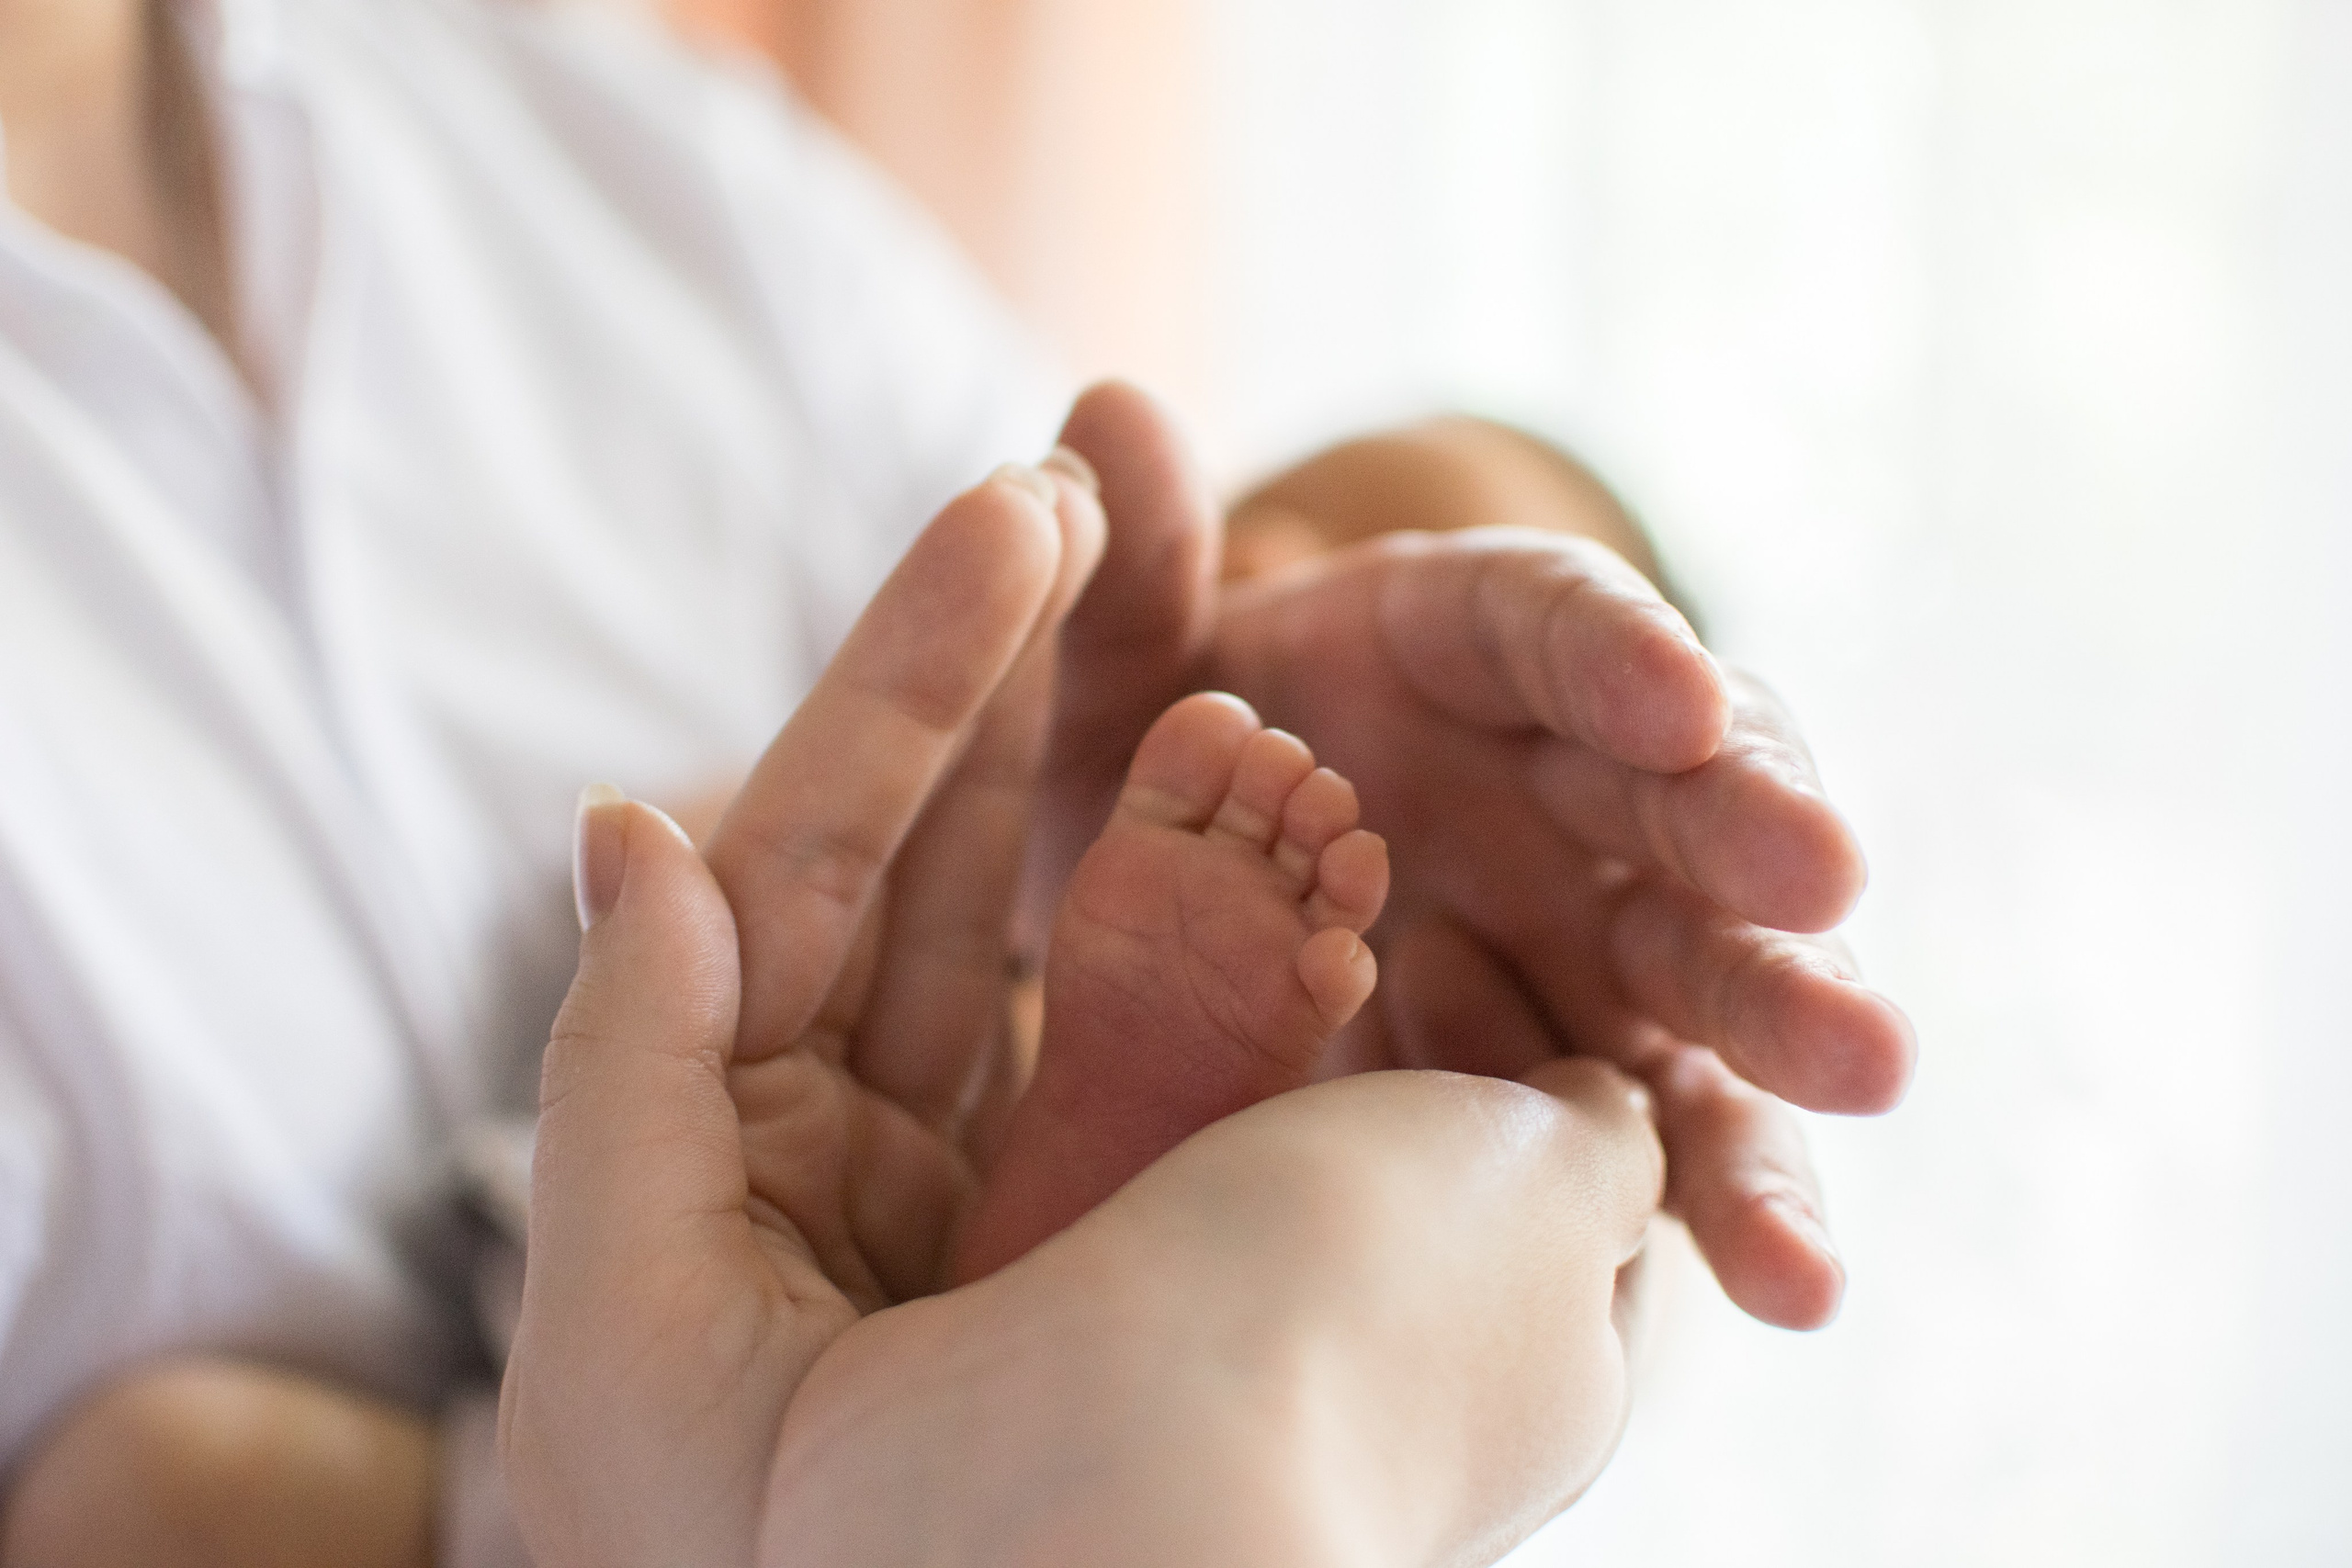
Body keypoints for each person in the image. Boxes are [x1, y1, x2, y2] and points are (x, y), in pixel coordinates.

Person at [0, 0, 1915, 1560]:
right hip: (683, 1349)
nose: (1257, 621)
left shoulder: (621, 157)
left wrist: (1535, 1079)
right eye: (1275, 522)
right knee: (152, 1489)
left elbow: (1583, 1283)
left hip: (732, 1381)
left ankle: (1065, 1215)